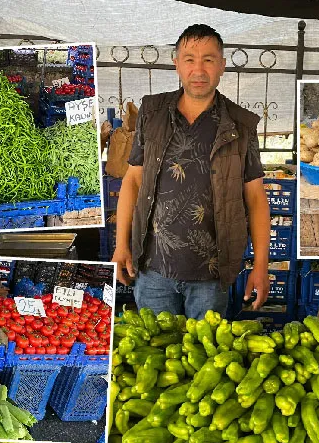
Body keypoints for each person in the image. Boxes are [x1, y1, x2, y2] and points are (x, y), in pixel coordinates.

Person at [112, 24, 271, 319]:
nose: (199, 70)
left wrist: (261, 265)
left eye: (209, 60)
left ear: (222, 66)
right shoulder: (152, 112)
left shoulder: (241, 124)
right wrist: (121, 245)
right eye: (189, 59)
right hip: (153, 270)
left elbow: (256, 197)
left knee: (204, 356)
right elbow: (133, 180)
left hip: (211, 276)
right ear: (177, 64)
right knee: (156, 354)